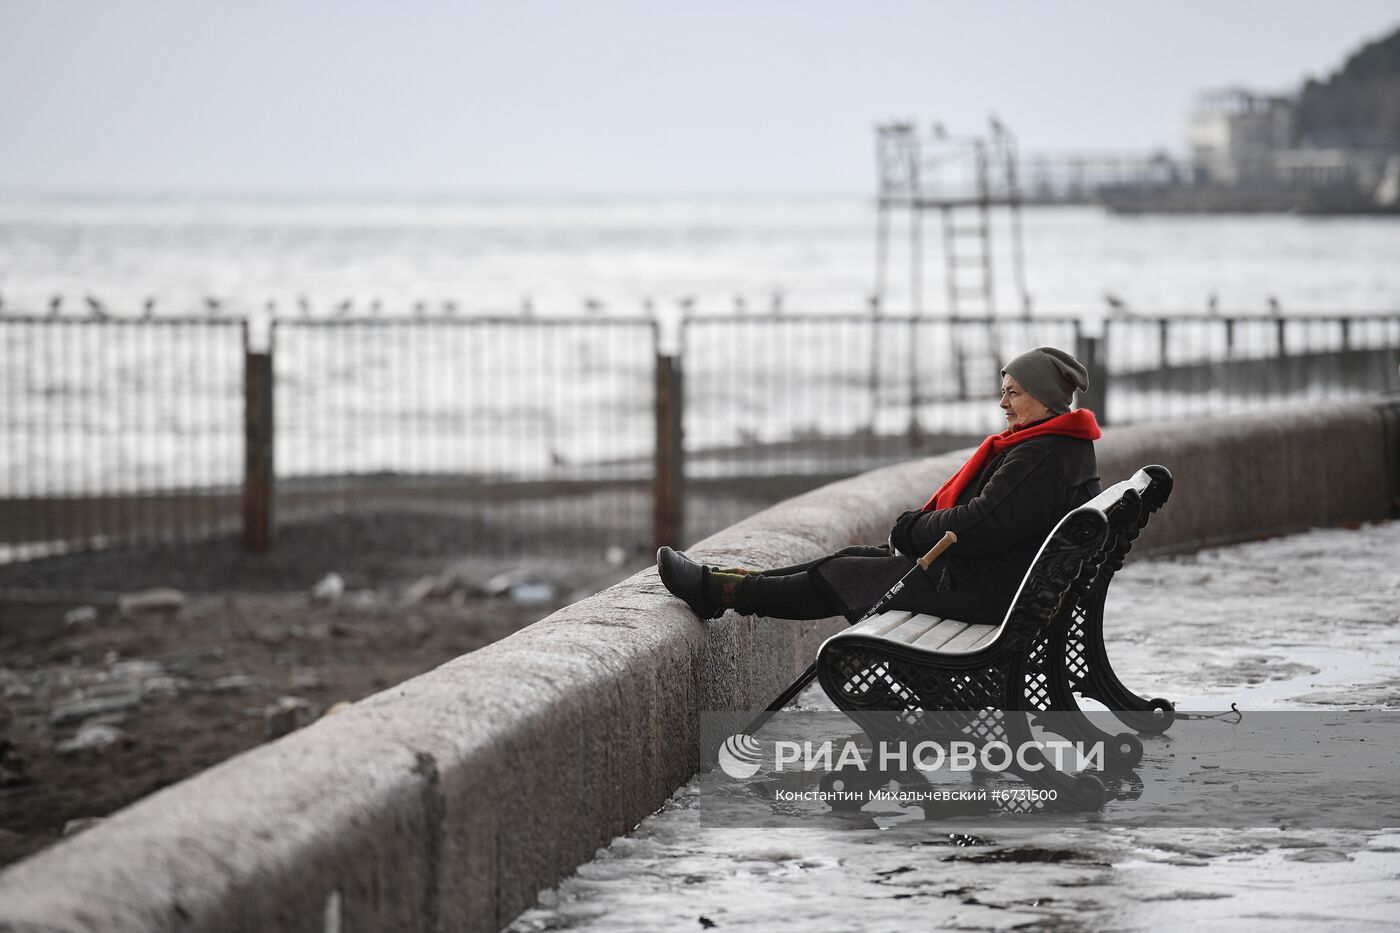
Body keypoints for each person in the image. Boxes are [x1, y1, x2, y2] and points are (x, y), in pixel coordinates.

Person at [657, 346, 1103, 627]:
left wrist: (913, 529)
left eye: (1014, 393)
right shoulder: (1058, 446)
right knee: (849, 560)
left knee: (848, 573)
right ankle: (721, 587)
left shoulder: (1039, 456)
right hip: (1010, 587)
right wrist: (920, 529)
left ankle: (721, 592)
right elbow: (991, 522)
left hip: (992, 597)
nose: (1002, 402)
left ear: (1045, 399)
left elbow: (979, 524)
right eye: (1002, 390)